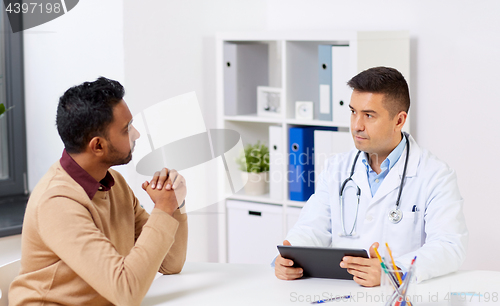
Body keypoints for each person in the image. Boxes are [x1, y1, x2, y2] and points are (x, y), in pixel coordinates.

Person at [274, 67, 468, 286]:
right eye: (353, 112)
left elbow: (450, 246)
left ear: (399, 120)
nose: (357, 125)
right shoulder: (336, 168)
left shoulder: (435, 175)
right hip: (344, 292)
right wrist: (290, 257)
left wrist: (393, 272)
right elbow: (312, 227)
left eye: (368, 115)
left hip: (401, 295)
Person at [9, 77, 188, 305]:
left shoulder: (114, 183)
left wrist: (175, 205)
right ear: (98, 146)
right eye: (127, 129)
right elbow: (127, 291)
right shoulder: (57, 201)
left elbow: (170, 264)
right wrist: (163, 207)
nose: (136, 135)